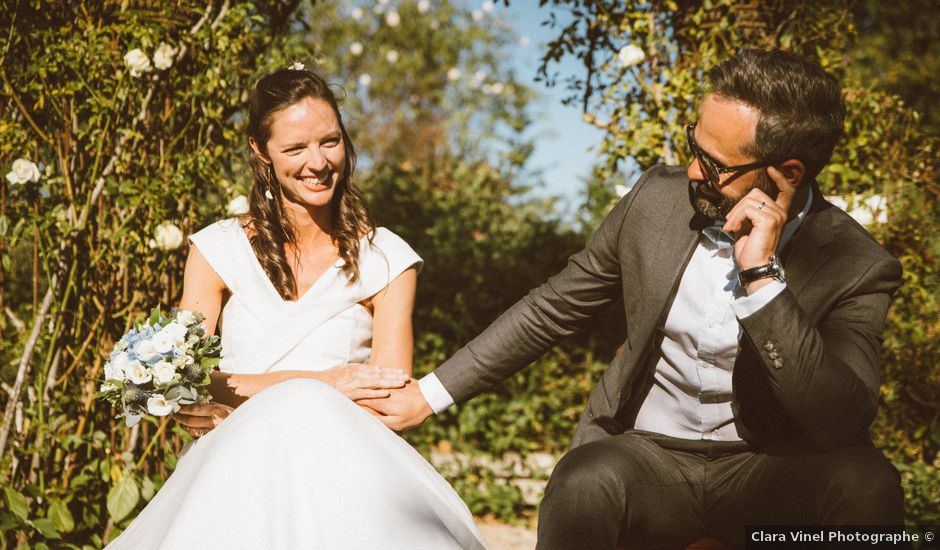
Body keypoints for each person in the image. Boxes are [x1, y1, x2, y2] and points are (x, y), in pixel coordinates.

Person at [365, 49, 905, 549]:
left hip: (768, 469)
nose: (695, 170)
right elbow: (554, 307)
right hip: (648, 459)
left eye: (715, 165)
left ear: (786, 173)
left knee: (866, 483)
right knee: (584, 482)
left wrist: (763, 275)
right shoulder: (655, 202)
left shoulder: (856, 263)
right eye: (695, 149)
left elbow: (840, 420)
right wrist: (427, 396)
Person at [106, 67, 485, 550]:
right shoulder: (217, 249)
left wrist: (238, 397)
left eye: (330, 142)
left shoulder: (387, 259)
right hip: (234, 472)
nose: (319, 162)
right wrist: (322, 383)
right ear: (260, 153)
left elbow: (387, 400)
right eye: (295, 148)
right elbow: (179, 380)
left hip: (341, 477)